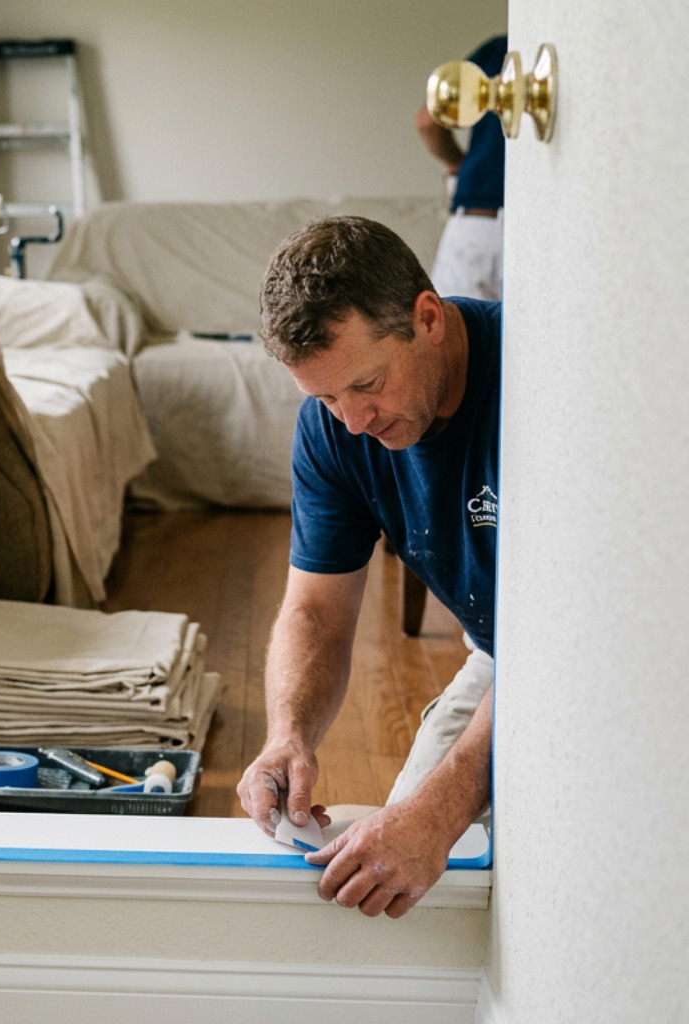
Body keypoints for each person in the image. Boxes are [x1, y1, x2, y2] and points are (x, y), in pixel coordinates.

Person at [239, 215, 499, 919]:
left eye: (366, 384)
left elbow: (569, 648)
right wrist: (288, 733)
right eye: (325, 397)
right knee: (402, 882)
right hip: (502, 650)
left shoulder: (535, 394)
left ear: (427, 318)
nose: (353, 422)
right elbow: (316, 611)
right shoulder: (335, 429)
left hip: (606, 644)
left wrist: (440, 815)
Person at [416, 33, 507, 300]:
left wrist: (457, 163)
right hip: (543, 226)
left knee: (456, 336)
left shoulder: (500, 50)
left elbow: (427, 123)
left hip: (478, 222)